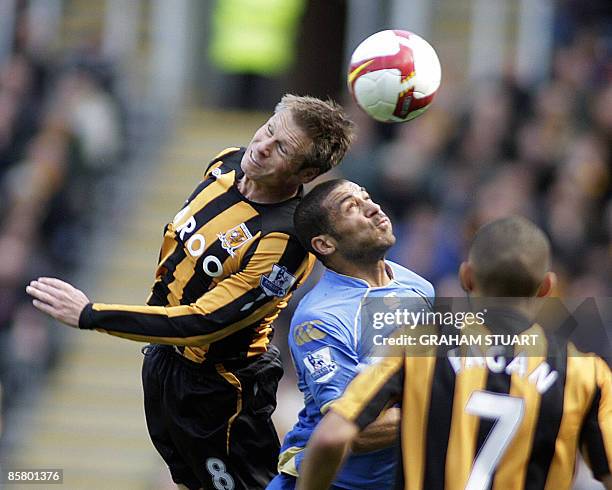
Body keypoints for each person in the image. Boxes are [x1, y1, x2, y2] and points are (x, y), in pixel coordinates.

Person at [25, 94, 355, 490]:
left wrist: (90, 314)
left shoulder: (284, 242)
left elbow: (204, 321)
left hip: (220, 390)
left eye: (282, 147)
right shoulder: (226, 162)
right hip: (166, 365)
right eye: (269, 129)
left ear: (305, 172)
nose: (262, 146)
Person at [297, 216, 612, 490]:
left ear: (466, 278)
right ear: (547, 287)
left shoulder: (419, 345)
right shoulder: (585, 372)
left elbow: (331, 437)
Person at [267, 179, 434, 489]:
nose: (374, 208)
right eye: (352, 207)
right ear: (325, 244)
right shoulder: (320, 319)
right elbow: (353, 432)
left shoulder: (420, 288)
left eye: (367, 198)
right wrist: (442, 406)